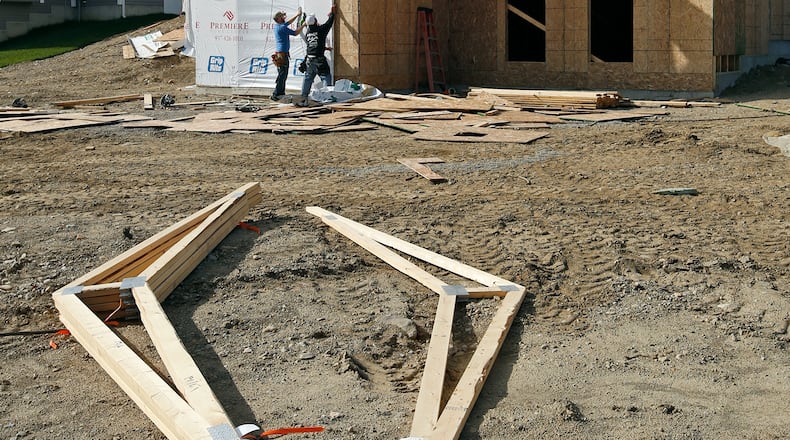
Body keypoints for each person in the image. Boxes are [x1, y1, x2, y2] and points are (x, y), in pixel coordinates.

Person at [299, 5, 336, 103]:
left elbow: (314, 44)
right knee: (326, 76)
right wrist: (332, 14)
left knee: (308, 78)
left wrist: (324, 48)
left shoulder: (308, 32)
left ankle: (303, 97)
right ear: (315, 22)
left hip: (309, 60)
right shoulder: (320, 30)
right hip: (319, 60)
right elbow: (329, 23)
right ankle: (327, 96)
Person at [271, 7, 306, 101]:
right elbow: (295, 33)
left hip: (280, 54)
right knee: (282, 75)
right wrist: (303, 25)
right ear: (278, 18)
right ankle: (276, 94)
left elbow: (288, 23)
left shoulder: (278, 26)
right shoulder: (282, 27)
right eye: (282, 16)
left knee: (282, 74)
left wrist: (297, 15)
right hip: (282, 55)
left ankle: (280, 93)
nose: (284, 17)